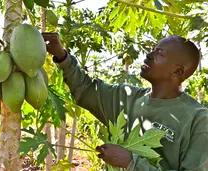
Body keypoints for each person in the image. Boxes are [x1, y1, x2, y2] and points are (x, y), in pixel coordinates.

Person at [42, 33, 208, 170]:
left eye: (160, 53)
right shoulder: (125, 97)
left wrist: (131, 162)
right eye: (153, 50)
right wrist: (62, 56)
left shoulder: (198, 120)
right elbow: (86, 89)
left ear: (177, 71)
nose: (149, 55)